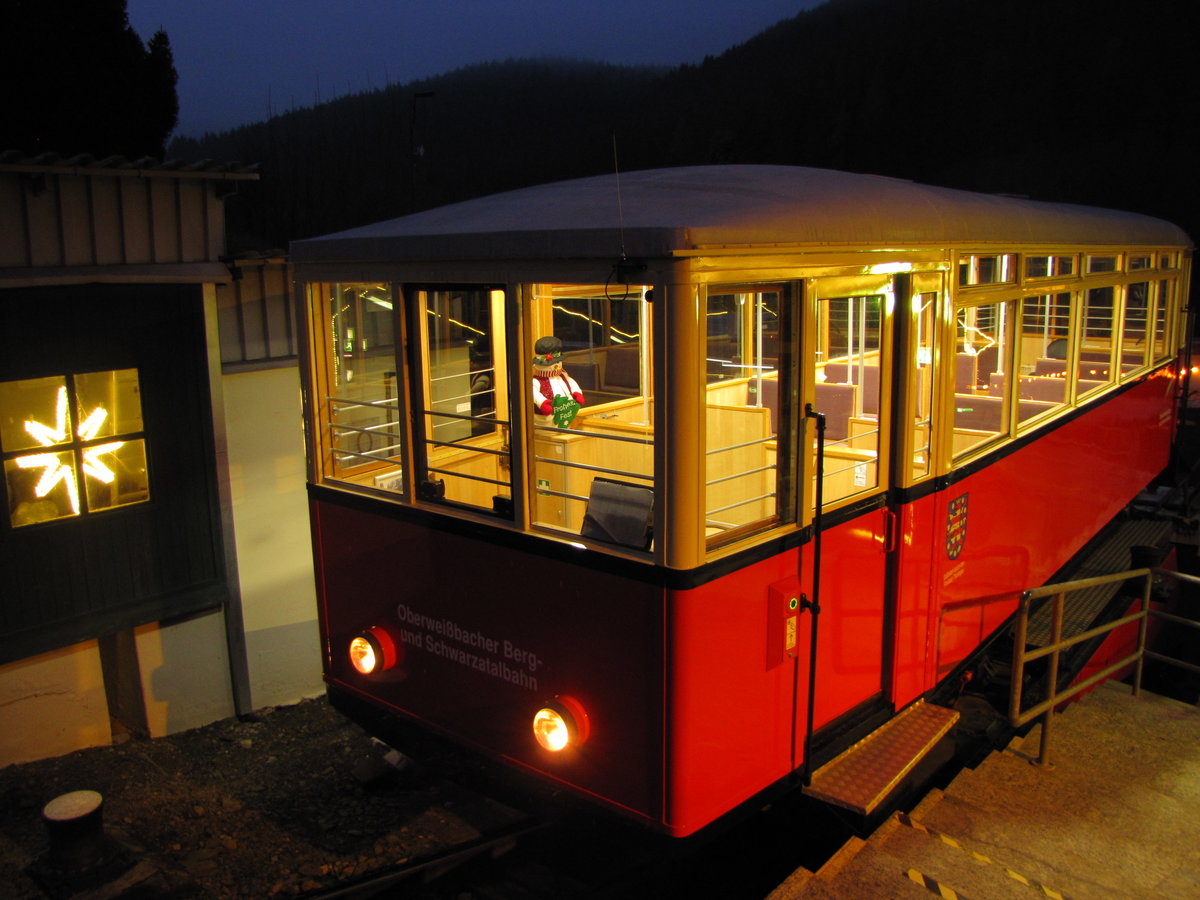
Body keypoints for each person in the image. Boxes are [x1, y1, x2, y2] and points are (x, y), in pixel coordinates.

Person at [531, 336, 584, 428]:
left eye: (558, 361)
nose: (556, 365)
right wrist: (543, 403)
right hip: (546, 420)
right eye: (552, 363)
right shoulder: (536, 381)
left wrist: (577, 393)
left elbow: (572, 384)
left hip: (567, 414)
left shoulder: (563, 375)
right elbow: (534, 393)